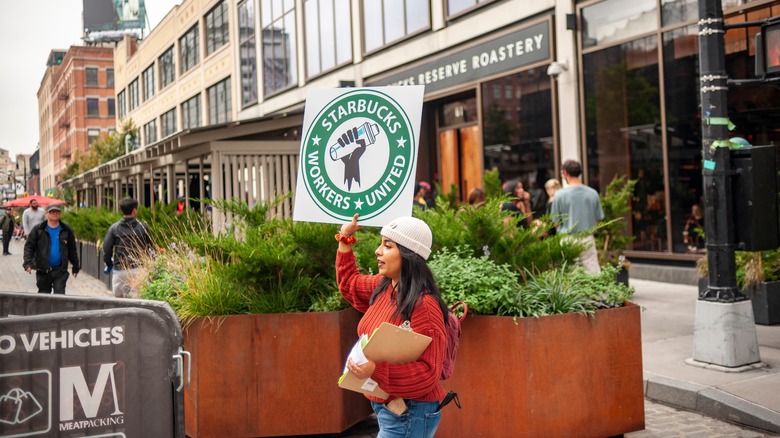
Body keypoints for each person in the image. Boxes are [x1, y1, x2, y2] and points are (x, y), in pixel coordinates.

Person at [336, 214, 448, 438]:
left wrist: (376, 370)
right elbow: (350, 285)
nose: (378, 251)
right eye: (381, 244)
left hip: (409, 412)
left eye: (388, 246)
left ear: (408, 255)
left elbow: (428, 373)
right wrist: (345, 237)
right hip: (391, 409)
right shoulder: (385, 285)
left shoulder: (424, 306)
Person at [551, 159, 605, 273]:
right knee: (592, 271)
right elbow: (598, 218)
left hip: (567, 238)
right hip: (587, 238)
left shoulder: (559, 195)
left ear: (565, 173)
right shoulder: (592, 193)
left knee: (570, 273)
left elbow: (555, 222)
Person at [23, 204, 80, 294]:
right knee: (44, 297)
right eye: (52, 212)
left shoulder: (66, 229)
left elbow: (72, 249)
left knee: (59, 296)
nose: (55, 214)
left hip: (60, 270)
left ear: (60, 214)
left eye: (57, 212)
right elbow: (29, 247)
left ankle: (58, 309)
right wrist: (27, 263)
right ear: (46, 213)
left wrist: (75, 266)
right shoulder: (38, 229)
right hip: (43, 270)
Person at [103, 198, 154, 298]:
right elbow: (151, 248)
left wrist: (109, 263)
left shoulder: (114, 228)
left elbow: (106, 249)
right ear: (134, 211)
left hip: (120, 270)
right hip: (139, 270)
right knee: (138, 300)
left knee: (119, 301)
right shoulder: (143, 227)